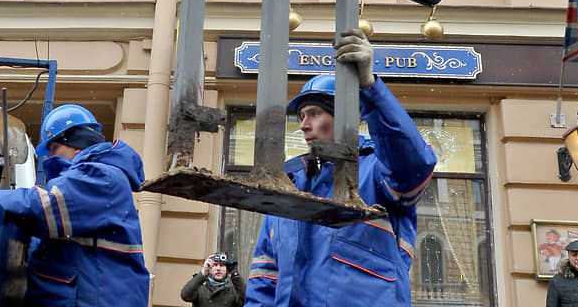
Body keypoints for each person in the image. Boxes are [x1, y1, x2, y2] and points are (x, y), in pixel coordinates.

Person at [245, 28, 438, 307]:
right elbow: (264, 276)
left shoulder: (375, 171)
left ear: (344, 116)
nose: (304, 125)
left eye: (315, 113)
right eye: (301, 116)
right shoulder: (289, 184)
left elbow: (413, 163)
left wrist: (371, 89)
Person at [0, 104, 149, 306]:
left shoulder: (101, 177)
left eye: (54, 148)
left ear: (76, 143)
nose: (49, 157)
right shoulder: (92, 178)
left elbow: (45, 208)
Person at [181, 252, 246, 307]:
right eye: (215, 265)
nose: (218, 269)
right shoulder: (200, 285)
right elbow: (185, 296)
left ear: (227, 269)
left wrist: (234, 273)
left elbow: (245, 300)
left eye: (221, 265)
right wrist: (203, 271)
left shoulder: (233, 288)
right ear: (210, 268)